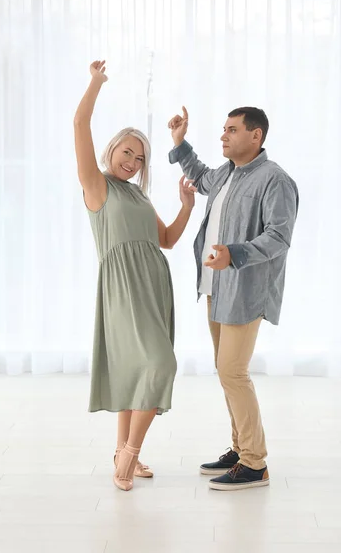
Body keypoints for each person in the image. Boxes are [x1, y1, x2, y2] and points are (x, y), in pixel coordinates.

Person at [74, 61, 196, 492]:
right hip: (123, 289)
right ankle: (126, 458)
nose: (132, 160)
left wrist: (186, 207)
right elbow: (79, 122)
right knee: (160, 365)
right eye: (127, 151)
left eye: (140, 157)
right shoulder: (97, 185)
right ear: (111, 150)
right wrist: (96, 82)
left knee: (134, 372)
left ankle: (127, 453)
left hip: (152, 288)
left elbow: (166, 240)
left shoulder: (138, 195)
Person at [168, 106, 299, 491]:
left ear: (255, 136)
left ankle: (254, 464)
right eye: (223, 129)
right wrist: (180, 142)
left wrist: (235, 254)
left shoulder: (275, 180)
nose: (223, 136)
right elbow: (202, 178)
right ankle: (240, 448)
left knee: (232, 372)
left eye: (232, 130)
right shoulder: (227, 173)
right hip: (215, 286)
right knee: (226, 373)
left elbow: (279, 237)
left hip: (245, 289)